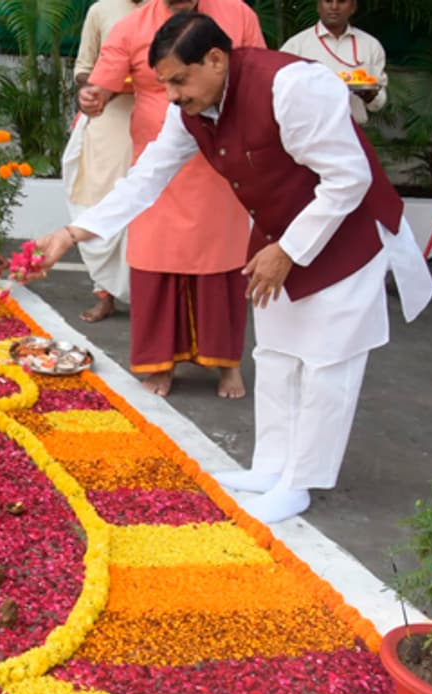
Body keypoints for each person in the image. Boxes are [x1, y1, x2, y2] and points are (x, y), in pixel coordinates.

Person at [26, 12, 432, 524]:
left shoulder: (292, 87)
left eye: (179, 80)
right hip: (280, 238)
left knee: (327, 364)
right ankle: (270, 468)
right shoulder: (191, 109)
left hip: (348, 236)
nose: (171, 95)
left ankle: (300, 482)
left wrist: (289, 249)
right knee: (279, 355)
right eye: (165, 84)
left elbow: (348, 178)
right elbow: (146, 179)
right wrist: (72, 232)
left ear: (216, 60)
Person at [79, 0, 264, 399]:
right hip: (156, 159)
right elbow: (103, 83)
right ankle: (159, 364)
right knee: (154, 263)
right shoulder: (131, 26)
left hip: (221, 158)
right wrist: (94, 97)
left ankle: (227, 365)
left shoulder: (239, 13)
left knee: (222, 263)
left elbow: (255, 75)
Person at [61, 0, 144, 323]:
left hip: (155, 121)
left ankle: (148, 301)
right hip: (109, 120)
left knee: (144, 213)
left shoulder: (171, 8)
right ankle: (104, 296)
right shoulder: (101, 9)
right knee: (99, 206)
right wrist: (91, 90)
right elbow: (84, 68)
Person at [280, 0, 387, 125]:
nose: (334, 7)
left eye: (341, 1)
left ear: (353, 7)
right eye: (328, 1)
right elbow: (281, 93)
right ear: (318, 6)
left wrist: (370, 95)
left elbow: (378, 103)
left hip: (354, 131)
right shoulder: (296, 46)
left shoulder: (370, 45)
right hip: (309, 131)